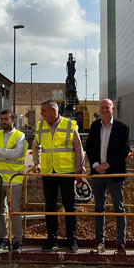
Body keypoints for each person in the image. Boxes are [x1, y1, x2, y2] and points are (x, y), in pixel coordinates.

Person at [32, 99, 85, 253]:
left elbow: (78, 148)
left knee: (70, 207)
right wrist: (37, 163)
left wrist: (79, 170)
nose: (41, 114)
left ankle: (72, 240)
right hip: (49, 172)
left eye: (44, 111)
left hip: (67, 172)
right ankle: (52, 239)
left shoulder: (69, 125)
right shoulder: (41, 126)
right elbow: (36, 146)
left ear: (54, 111)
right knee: (50, 207)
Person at [85, 98, 130, 255]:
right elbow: (89, 147)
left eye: (107, 107)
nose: (104, 110)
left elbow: (124, 150)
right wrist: (96, 164)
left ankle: (121, 244)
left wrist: (108, 165)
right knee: (99, 208)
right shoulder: (95, 126)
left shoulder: (122, 128)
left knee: (118, 207)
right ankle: (100, 243)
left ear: (113, 109)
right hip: (98, 173)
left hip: (115, 173)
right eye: (102, 107)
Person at [0, 109, 27, 253]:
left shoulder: (19, 136)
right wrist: (6, 154)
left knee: (14, 211)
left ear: (13, 120)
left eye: (6, 119)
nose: (3, 121)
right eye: (1, 119)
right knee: (0, 211)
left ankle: (17, 241)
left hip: (13, 180)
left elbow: (16, 153)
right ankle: (2, 239)